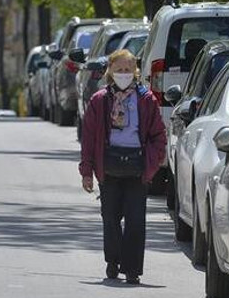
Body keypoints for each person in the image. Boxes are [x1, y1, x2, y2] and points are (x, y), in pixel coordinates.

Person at [79, 49, 166, 285]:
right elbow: (88, 139)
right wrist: (87, 172)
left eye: (128, 70)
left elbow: (159, 135)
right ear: (110, 71)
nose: (124, 74)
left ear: (136, 72)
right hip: (109, 166)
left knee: (136, 221)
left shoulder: (146, 99)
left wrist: (153, 161)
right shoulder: (99, 100)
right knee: (110, 218)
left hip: (138, 167)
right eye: (119, 70)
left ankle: (132, 269)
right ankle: (113, 261)